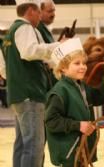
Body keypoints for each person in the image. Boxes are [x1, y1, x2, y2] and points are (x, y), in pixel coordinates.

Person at [2, 0, 61, 166]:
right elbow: (30, 51)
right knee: (34, 145)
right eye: (38, 12)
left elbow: (3, 67)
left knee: (22, 144)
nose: (40, 16)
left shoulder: (10, 33)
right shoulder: (25, 28)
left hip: (18, 94)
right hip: (31, 95)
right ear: (30, 11)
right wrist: (57, 46)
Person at [45, 37, 104, 167]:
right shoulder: (59, 92)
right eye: (77, 63)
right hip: (69, 151)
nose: (83, 67)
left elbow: (99, 97)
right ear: (63, 69)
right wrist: (78, 125)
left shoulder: (81, 86)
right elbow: (51, 121)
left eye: (84, 63)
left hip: (81, 148)